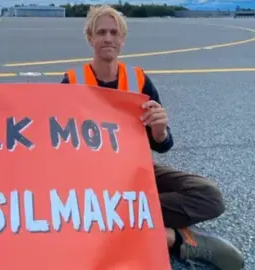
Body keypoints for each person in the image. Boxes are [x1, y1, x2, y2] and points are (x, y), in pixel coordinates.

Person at [61, 5, 244, 270]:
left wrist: (160, 131)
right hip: (93, 182)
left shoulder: (138, 81)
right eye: (101, 32)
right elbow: (58, 146)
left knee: (209, 196)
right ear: (90, 38)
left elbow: (163, 144)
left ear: (122, 40)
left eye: (114, 32)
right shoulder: (71, 82)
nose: (108, 38)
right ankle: (172, 238)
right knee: (71, 214)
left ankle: (122, 224)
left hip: (136, 172)